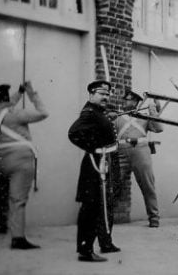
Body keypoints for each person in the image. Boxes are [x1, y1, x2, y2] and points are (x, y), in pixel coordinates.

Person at [0, 82, 48, 249]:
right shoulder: (16, 114)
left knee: (1, 194)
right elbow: (43, 112)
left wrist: (18, 93)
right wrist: (30, 93)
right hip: (20, 159)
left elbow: (6, 106)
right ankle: (18, 238)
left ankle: (1, 225)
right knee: (17, 199)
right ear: (6, 97)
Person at [68, 80, 120, 262]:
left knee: (99, 205)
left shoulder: (98, 112)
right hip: (95, 164)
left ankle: (99, 244)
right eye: (101, 93)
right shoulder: (89, 113)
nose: (105, 97)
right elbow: (73, 133)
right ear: (91, 94)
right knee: (90, 206)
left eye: (107, 94)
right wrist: (93, 148)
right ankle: (85, 250)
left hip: (103, 162)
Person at [114, 90, 163, 227]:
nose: (125, 102)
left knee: (148, 184)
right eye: (125, 99)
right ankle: (107, 217)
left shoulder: (144, 117)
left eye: (129, 100)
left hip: (140, 150)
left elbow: (159, 128)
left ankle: (154, 218)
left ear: (136, 102)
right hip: (121, 151)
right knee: (114, 184)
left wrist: (154, 111)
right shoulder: (117, 117)